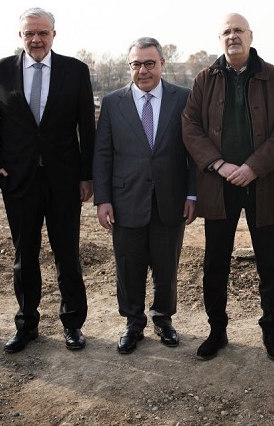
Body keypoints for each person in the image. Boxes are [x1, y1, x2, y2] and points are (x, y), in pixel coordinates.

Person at [0, 7, 96, 353]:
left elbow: (86, 129)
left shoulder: (75, 71)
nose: (36, 39)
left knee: (67, 256)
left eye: (43, 33)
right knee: (24, 256)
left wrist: (87, 176)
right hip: (19, 181)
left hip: (64, 181)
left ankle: (73, 324)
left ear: (54, 35)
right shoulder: (0, 71)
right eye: (29, 33)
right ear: (20, 36)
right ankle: (27, 324)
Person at [182, 13, 274, 362]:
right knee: (215, 261)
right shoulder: (205, 78)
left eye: (239, 31)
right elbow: (191, 127)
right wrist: (220, 164)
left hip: (263, 183)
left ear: (250, 35)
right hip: (219, 184)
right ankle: (217, 330)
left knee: (270, 262)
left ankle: (270, 329)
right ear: (220, 38)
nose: (233, 36)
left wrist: (252, 167)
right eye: (227, 31)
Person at [93, 37, 196, 354]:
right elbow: (103, 154)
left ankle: (163, 320)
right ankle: (133, 324)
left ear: (163, 64)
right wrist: (103, 199)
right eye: (136, 64)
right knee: (129, 266)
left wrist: (192, 195)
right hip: (126, 201)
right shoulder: (113, 103)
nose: (143, 70)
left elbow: (193, 152)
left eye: (149, 63)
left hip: (170, 200)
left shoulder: (183, 98)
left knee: (166, 268)